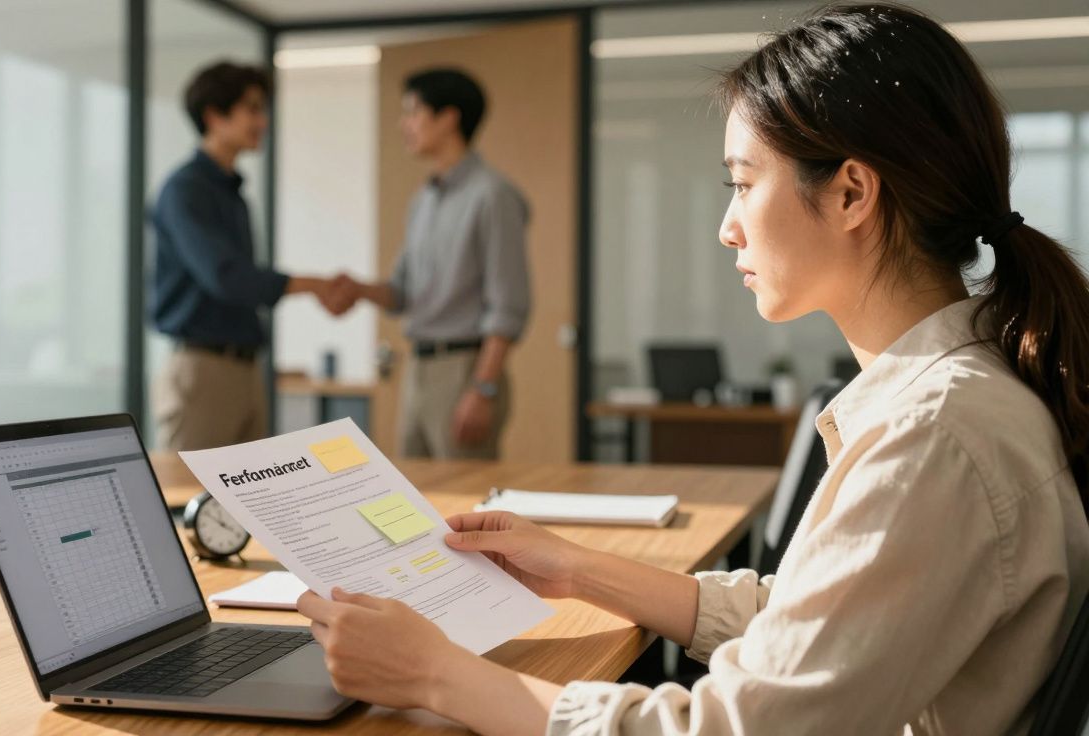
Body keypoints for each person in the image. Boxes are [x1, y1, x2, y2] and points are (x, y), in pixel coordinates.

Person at [297, 5, 1089, 734]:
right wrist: (576, 567)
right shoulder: (959, 396)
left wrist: (437, 676)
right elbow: (814, 622)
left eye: (743, 184)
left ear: (852, 193)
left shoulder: (935, 439)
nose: (726, 228)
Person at [150, 61, 354, 451]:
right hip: (203, 371)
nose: (262, 120)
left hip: (244, 369)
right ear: (214, 115)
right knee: (185, 499)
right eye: (252, 108)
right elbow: (227, 276)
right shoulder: (185, 190)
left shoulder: (234, 196)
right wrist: (314, 286)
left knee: (247, 505)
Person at [335, 68, 530, 460]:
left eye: (412, 112)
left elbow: (508, 306)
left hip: (465, 370)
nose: (403, 124)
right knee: (415, 502)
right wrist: (359, 289)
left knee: (464, 506)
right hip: (418, 368)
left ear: (448, 118)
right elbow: (402, 293)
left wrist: (483, 388)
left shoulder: (492, 196)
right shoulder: (423, 200)